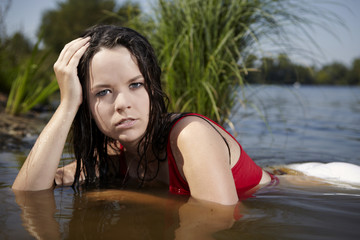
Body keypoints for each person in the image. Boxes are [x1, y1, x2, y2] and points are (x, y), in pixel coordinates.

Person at [12, 25, 274, 205]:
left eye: (136, 85)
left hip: (284, 188)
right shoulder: (115, 155)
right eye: (103, 92)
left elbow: (219, 219)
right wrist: (67, 104)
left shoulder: (191, 136)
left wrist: (126, 197)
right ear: (87, 105)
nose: (122, 104)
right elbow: (27, 194)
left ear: (153, 89)